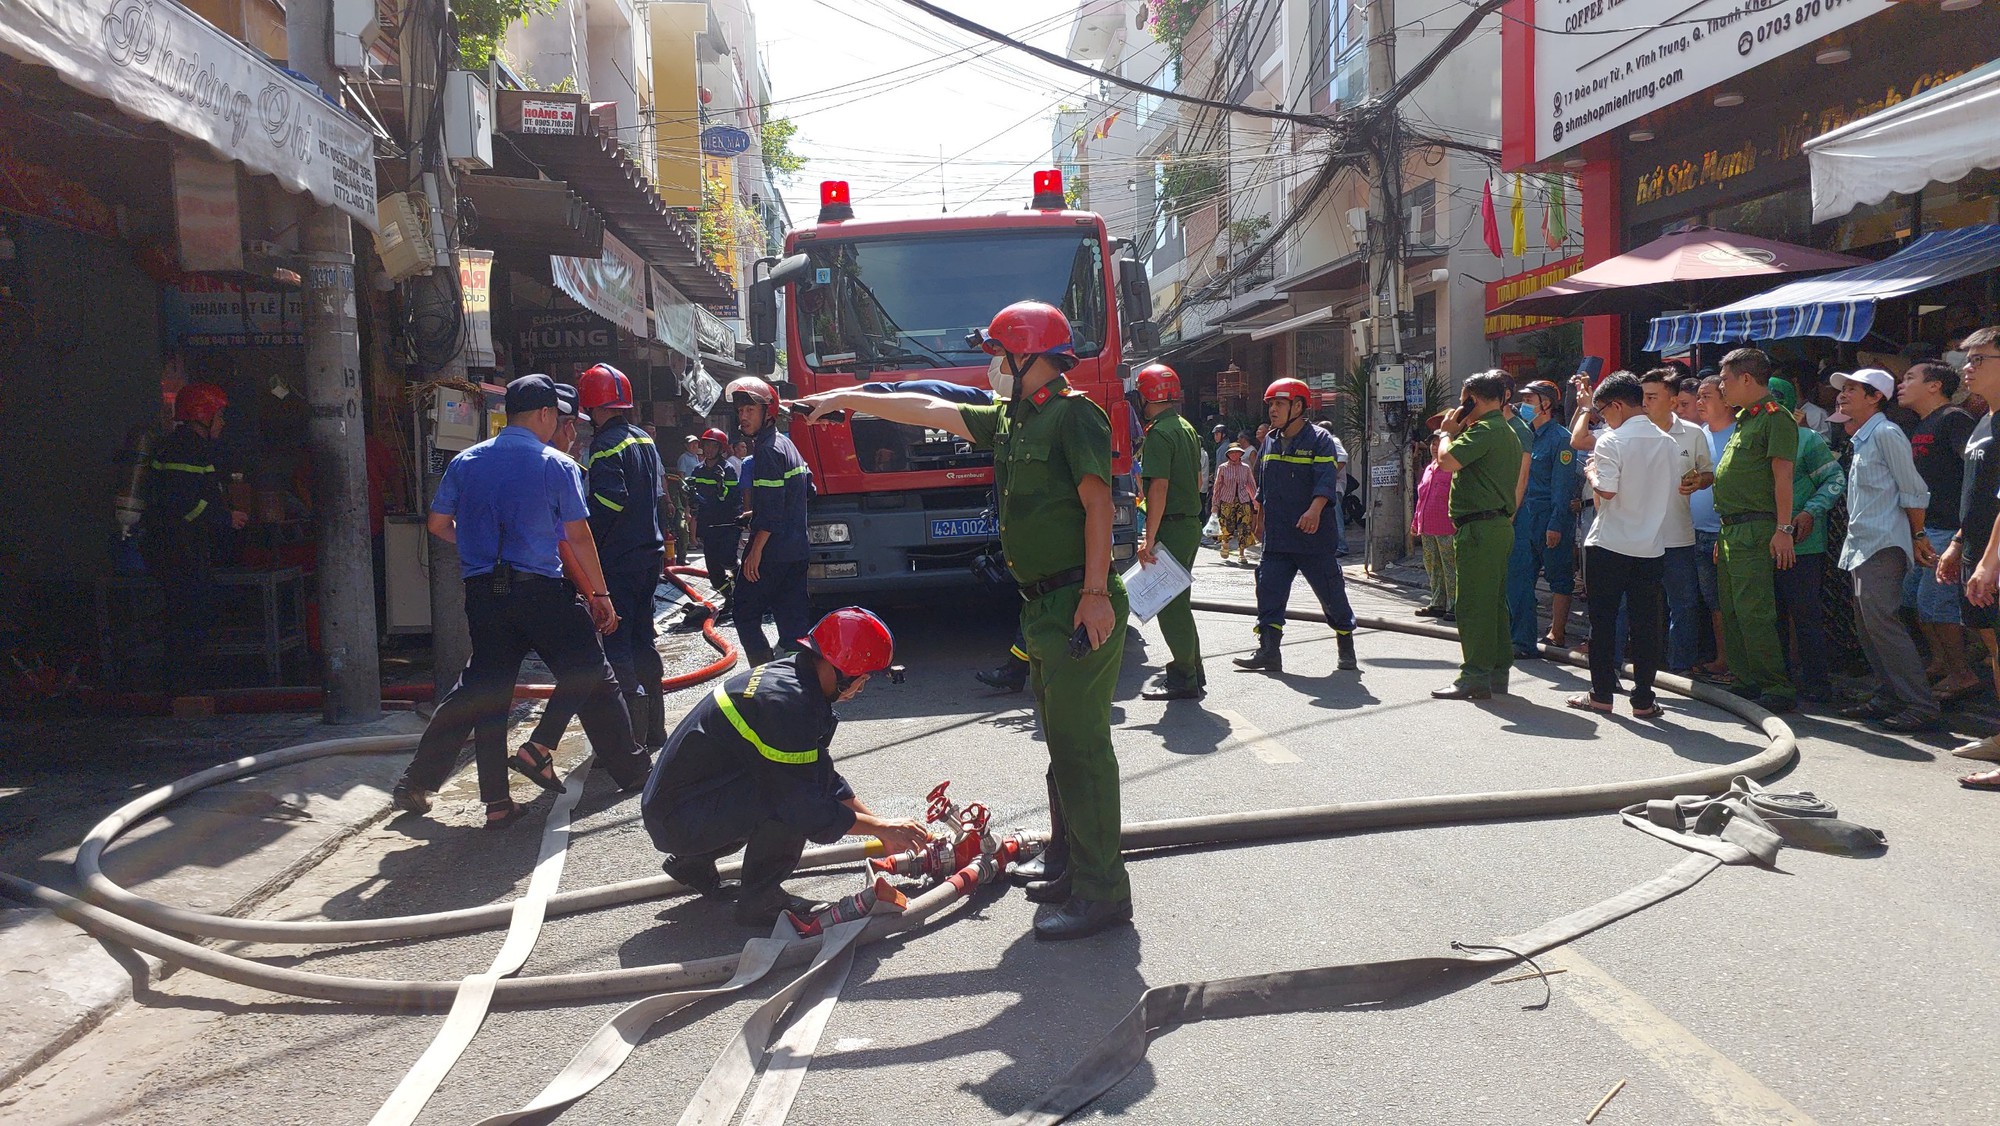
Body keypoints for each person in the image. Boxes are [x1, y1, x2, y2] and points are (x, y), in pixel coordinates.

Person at [799, 300, 1132, 940]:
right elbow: (928, 408)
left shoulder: (1074, 417)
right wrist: (849, 396)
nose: (992, 366)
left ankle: (1103, 893)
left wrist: (1095, 594)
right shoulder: (1013, 421)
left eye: (1000, 354)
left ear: (1031, 357)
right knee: (1062, 747)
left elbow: (1098, 506)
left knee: (1083, 751)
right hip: (1040, 605)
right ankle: (1067, 865)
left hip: (1075, 601)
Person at [392, 375, 651, 827]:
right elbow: (577, 536)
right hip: (540, 590)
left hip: (483, 594)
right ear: (546, 414)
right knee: (590, 666)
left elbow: (437, 524)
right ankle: (551, 749)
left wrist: (475, 548)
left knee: (484, 693)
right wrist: (600, 593)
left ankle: (487, 800)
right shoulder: (556, 464)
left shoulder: (466, 462)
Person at [640, 607, 931, 926]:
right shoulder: (786, 705)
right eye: (862, 681)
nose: (861, 689)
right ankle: (760, 902)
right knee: (786, 801)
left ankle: (693, 864)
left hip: (683, 806)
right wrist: (882, 829)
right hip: (679, 818)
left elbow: (819, 772)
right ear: (842, 669)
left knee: (787, 784)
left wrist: (881, 828)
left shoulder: (795, 679)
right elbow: (804, 806)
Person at [1831, 368, 1940, 732]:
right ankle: (1889, 695)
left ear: (1875, 396)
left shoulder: (1886, 433)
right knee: (1869, 627)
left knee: (1884, 625)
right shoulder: (1864, 436)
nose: (1842, 395)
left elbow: (1913, 489)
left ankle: (1920, 704)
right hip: (1863, 545)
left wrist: (1919, 534)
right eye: (1842, 389)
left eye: (1851, 389)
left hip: (1883, 545)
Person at [1568, 372, 1679, 717]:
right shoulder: (1669, 443)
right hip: (1650, 544)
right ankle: (1644, 699)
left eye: (1602, 411)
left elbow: (1608, 490)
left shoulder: (1611, 441)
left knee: (1603, 621)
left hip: (1610, 541)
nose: (1602, 418)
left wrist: (1591, 474)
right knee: (1646, 624)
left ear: (1617, 405)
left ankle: (1602, 693)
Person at [1232, 378, 1359, 675]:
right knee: (1268, 591)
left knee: (1331, 592)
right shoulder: (1270, 441)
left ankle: (1346, 645)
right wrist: (1259, 522)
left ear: (1299, 406)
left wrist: (1315, 511)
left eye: (1279, 404)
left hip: (1312, 536)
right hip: (1277, 537)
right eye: (1271, 404)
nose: (1273, 410)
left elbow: (1325, 481)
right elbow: (1263, 487)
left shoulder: (1320, 440)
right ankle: (1268, 651)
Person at [142, 381, 249, 692]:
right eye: (219, 414)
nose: (223, 422)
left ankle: (185, 687)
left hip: (184, 548)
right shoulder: (186, 448)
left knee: (190, 617)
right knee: (187, 620)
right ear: (204, 415)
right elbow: (182, 503)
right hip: (178, 551)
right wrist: (224, 517)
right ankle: (181, 690)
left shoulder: (190, 447)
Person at [1712, 348, 1799, 712]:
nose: (1721, 386)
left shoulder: (1775, 418)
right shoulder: (1746, 419)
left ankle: (1775, 686)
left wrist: (1783, 528)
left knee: (1754, 610)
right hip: (1731, 529)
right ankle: (1747, 679)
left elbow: (1783, 477)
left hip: (1755, 527)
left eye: (1726, 379)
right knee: (1732, 609)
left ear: (1747, 378)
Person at [1432, 371, 1523, 700]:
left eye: (1463, 401)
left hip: (1480, 528)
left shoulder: (1485, 430)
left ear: (1473, 400)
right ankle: (1496, 670)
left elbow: (1446, 461)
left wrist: (1446, 433)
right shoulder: (1505, 430)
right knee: (1494, 603)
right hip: (1494, 526)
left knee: (1473, 603)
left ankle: (1474, 675)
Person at [1896, 361, 1981, 701]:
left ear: (1934, 386)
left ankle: (1963, 673)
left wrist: (1963, 533)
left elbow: (1974, 471)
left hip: (1950, 530)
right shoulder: (1920, 426)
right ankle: (1942, 663)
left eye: (1910, 377)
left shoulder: (1953, 419)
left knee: (1937, 604)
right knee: (1914, 600)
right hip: (1926, 529)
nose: (1901, 384)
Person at [1941, 328, 2000, 780]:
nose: (1969, 366)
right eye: (1968, 358)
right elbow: (1977, 495)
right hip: (1977, 553)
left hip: (1993, 560)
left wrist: (1988, 561)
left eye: (1980, 358)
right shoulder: (1983, 418)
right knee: (1994, 648)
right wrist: (1960, 543)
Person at [1767, 377, 1845, 703]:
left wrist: (1812, 510)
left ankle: (1817, 684)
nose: (1770, 406)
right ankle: (1780, 682)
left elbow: (1835, 478)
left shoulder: (1807, 439)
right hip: (1764, 542)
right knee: (1772, 618)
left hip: (1803, 545)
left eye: (1776, 399)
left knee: (1805, 617)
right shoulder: (1755, 438)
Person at [1133, 363, 1206, 700]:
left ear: (1148, 395)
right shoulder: (1185, 427)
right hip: (1188, 522)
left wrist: (1149, 539)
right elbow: (1197, 480)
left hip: (1172, 526)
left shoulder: (1159, 434)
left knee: (1170, 605)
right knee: (1180, 601)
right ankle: (1193, 669)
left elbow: (1158, 489)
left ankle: (1184, 677)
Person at [729, 376, 813, 668]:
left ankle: (762, 678)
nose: (743, 417)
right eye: (740, 411)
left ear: (768, 412)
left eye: (750, 410)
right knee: (793, 626)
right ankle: (799, 681)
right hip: (797, 550)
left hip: (772, 553)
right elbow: (806, 490)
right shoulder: (786, 444)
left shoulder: (765, 451)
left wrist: (755, 552)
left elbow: (774, 511)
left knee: (744, 613)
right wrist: (756, 514)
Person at [1641, 369, 1715, 674]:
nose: (1644, 402)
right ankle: (1642, 666)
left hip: (1679, 537)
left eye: (1651, 396)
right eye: (1642, 396)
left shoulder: (1694, 433)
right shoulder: (1634, 432)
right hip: (1638, 538)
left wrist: (1698, 481)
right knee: (1637, 606)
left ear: (1672, 400)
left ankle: (1679, 670)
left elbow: (1708, 474)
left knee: (1683, 606)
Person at [1505, 379, 1579, 657]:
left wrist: (1556, 524)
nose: (1524, 406)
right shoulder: (1524, 434)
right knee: (1522, 576)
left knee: (1559, 577)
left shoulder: (1561, 438)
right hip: (1525, 517)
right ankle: (1523, 631)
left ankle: (1557, 632)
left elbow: (1562, 486)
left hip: (1550, 516)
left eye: (1530, 400)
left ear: (1546, 404)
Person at [1690, 376, 1736, 677]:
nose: (1699, 403)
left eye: (1706, 396)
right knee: (1705, 601)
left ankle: (1732, 661)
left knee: (1727, 602)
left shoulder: (1741, 434)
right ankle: (1716, 657)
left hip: (1727, 533)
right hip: (1691, 532)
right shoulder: (1699, 435)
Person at [687, 427, 741, 615]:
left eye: (713, 446)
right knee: (714, 572)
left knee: (728, 559)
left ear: (721, 448)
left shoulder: (728, 470)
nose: (708, 449)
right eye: (706, 445)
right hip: (708, 526)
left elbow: (735, 499)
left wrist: (722, 488)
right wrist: (691, 498)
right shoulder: (697, 470)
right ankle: (730, 598)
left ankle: (740, 580)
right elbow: (695, 497)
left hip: (727, 525)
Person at [1411, 423, 1457, 620]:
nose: (1434, 447)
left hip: (1447, 527)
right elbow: (1422, 498)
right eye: (1432, 443)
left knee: (1450, 567)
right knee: (1432, 566)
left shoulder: (1452, 468)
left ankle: (1455, 605)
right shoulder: (1429, 468)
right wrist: (1415, 523)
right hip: (1428, 527)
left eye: (1439, 443)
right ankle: (1437, 602)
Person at [1213, 443, 1257, 561]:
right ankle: (1225, 543)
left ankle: (1241, 553)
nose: (1234, 454)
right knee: (1227, 525)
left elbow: (1251, 485)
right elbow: (1218, 486)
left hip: (1243, 500)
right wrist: (1215, 504)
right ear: (1228, 454)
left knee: (1244, 526)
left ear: (1240, 454)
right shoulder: (1223, 468)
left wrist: (1256, 502)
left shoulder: (1245, 468)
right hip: (1227, 500)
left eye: (1237, 452)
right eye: (1232, 452)